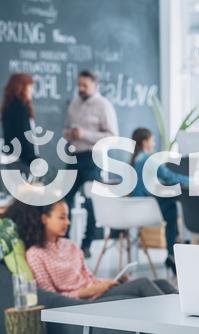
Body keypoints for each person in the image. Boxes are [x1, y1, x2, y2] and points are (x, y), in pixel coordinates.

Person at [3, 199, 177, 300]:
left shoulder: (69, 246)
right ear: (44, 219)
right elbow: (51, 298)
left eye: (68, 217)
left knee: (161, 283)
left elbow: (89, 278)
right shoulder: (35, 255)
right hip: (87, 301)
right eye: (62, 217)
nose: (67, 222)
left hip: (97, 291)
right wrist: (91, 291)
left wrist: (111, 281)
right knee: (143, 284)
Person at [63, 70, 119, 258]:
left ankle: (86, 244)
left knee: (90, 202)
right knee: (64, 199)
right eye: (79, 85)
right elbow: (66, 128)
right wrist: (69, 134)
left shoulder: (104, 106)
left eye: (84, 85)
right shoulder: (73, 104)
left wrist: (85, 135)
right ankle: (64, 243)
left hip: (94, 158)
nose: (81, 88)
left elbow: (112, 137)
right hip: (74, 156)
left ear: (95, 85)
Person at [130, 128, 190, 275]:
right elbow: (170, 177)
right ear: (145, 142)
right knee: (172, 209)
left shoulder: (133, 161)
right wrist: (195, 180)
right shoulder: (149, 159)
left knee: (170, 206)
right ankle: (172, 253)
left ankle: (173, 252)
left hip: (133, 208)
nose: (154, 143)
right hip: (147, 208)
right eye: (152, 140)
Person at [1, 73, 37, 173]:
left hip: (11, 160)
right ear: (22, 88)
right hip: (23, 162)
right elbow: (24, 137)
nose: (32, 91)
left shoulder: (7, 108)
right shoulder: (21, 108)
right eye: (30, 87)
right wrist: (33, 160)